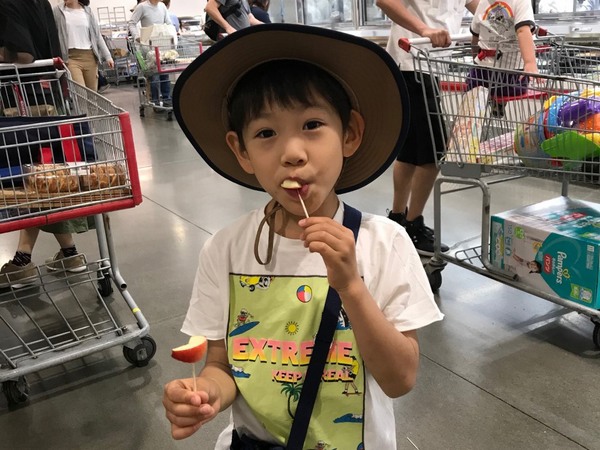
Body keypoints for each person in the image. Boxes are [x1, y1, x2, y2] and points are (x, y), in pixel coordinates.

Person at [162, 24, 443, 449]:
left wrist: (352, 287)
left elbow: (400, 379)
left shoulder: (384, 244)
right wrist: (207, 393)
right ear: (241, 151)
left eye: (312, 124)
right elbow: (221, 363)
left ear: (350, 133)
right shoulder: (225, 250)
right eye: (266, 133)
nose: (292, 153)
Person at [375, 0, 479, 256]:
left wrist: (511, 23)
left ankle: (398, 218)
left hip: (431, 66)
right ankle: (413, 225)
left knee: (410, 151)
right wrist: (424, 30)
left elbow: (481, 7)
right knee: (434, 152)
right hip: (411, 61)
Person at [0, 0, 91, 289]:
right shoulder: (42, 3)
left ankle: (23, 261)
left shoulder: (7, 4)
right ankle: (69, 254)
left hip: (21, 104)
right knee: (48, 179)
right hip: (49, 97)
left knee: (29, 184)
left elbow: (24, 54)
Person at [466, 0, 538, 117]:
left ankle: (468, 121)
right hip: (512, 77)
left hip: (482, 74)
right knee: (505, 89)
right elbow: (523, 30)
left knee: (472, 90)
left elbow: (475, 38)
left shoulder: (483, 3)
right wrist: (530, 63)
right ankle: (497, 102)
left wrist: (475, 61)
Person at [53, 0, 114, 93]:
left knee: (92, 95)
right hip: (70, 58)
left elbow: (97, 35)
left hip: (90, 57)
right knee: (80, 94)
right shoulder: (57, 11)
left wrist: (108, 56)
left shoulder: (88, 11)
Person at [128, 0, 172, 106]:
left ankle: (167, 100)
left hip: (162, 46)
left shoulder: (162, 6)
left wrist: (171, 34)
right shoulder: (142, 7)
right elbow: (132, 24)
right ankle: (155, 102)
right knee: (154, 77)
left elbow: (169, 23)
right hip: (149, 48)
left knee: (165, 76)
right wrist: (137, 37)